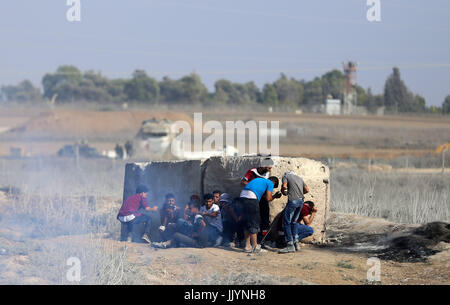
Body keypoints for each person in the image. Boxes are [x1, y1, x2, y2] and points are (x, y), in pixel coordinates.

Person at [240, 176, 281, 253]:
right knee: (253, 222)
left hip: (242, 196)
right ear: (274, 182)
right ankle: (255, 247)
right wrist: (274, 196)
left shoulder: (258, 179)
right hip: (251, 198)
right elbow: (268, 198)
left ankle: (247, 246)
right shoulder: (270, 183)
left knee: (246, 222)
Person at [241, 157, 274, 237]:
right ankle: (244, 239)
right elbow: (243, 182)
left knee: (265, 219)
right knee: (250, 219)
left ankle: (262, 239)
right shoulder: (252, 172)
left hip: (262, 199)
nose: (270, 169)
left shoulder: (268, 174)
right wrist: (253, 187)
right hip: (252, 198)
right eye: (269, 167)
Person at [278, 171, 309, 253]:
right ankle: (296, 244)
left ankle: (290, 245)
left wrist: (284, 192)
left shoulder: (286, 176)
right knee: (294, 222)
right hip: (301, 201)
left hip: (293, 201)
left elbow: (284, 186)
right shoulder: (300, 178)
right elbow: (307, 190)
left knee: (286, 223)